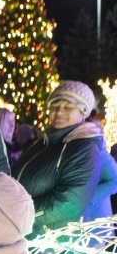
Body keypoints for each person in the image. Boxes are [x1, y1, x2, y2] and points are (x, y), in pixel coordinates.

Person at [14, 80, 103, 237]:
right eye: (55, 105)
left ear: (83, 112)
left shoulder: (84, 149)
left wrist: (17, 213)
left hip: (53, 245)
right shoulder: (43, 142)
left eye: (68, 106)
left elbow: (69, 203)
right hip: (24, 233)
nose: (59, 111)